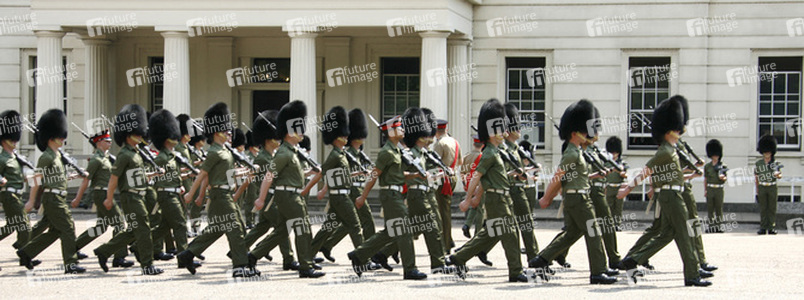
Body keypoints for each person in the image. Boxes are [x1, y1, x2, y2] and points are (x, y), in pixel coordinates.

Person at [617, 96, 711, 287]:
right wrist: (628, 188)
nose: (679, 132)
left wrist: (691, 174)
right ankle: (692, 275)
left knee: (667, 233)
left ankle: (633, 260)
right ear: (668, 132)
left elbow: (674, 176)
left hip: (672, 192)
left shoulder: (671, 150)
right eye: (676, 129)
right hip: (671, 195)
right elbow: (646, 170)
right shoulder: (666, 152)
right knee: (684, 232)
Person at [451, 99, 529, 283]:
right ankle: (516, 271)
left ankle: (458, 258)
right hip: (497, 199)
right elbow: (477, 177)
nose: (505, 133)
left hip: (502, 197)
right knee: (509, 233)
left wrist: (515, 174)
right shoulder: (489, 153)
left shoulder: (496, 152)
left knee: (491, 232)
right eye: (501, 129)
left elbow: (495, 177)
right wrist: (467, 199)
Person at [177, 102, 257, 277]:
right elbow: (203, 174)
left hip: (226, 192)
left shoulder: (224, 150)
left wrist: (243, 172)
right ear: (216, 132)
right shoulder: (214, 151)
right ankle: (239, 266)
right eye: (226, 131)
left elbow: (225, 173)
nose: (229, 134)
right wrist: (193, 194)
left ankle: (187, 254)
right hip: (220, 194)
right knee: (235, 229)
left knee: (218, 227)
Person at [347, 113, 428, 280]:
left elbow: (398, 174)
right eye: (399, 127)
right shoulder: (386, 152)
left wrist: (416, 176)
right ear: (390, 132)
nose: (403, 129)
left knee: (392, 231)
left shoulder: (397, 151)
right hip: (390, 195)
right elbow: (374, 175)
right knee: (404, 230)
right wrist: (363, 196)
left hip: (396, 193)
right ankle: (410, 269)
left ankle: (359, 254)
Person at [249, 100, 325, 278]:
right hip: (289, 196)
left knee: (282, 231)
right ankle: (305, 266)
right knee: (303, 228)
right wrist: (261, 199)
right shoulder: (284, 153)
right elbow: (269, 176)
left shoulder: (291, 152)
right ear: (289, 132)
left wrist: (311, 173)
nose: (301, 134)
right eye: (298, 130)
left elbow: (291, 176)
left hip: (290, 194)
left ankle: (252, 256)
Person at [93, 104, 162, 275]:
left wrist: (154, 174)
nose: (140, 136)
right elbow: (114, 178)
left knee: (133, 230)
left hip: (140, 195)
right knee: (144, 229)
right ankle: (147, 265)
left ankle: (104, 251)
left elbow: (138, 177)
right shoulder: (124, 154)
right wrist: (109, 199)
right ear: (128, 135)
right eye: (137, 133)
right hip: (130, 197)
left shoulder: (136, 153)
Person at [17, 109, 87, 274]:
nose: (63, 138)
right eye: (60, 136)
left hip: (58, 197)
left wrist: (75, 176)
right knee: (68, 227)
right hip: (53, 198)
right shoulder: (47, 157)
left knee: (55, 231)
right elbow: (37, 179)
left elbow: (56, 178)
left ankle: (26, 252)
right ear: (51, 138)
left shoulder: (57, 156)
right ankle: (70, 263)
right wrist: (32, 200)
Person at [72, 128, 134, 269]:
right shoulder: (96, 160)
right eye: (107, 141)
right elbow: (86, 180)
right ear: (99, 143)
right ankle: (119, 256)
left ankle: (74, 247)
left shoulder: (106, 158)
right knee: (118, 223)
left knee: (100, 227)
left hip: (105, 193)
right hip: (102, 194)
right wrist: (78, 199)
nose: (110, 143)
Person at [433, 118, 461, 252]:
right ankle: (448, 239)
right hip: (453, 176)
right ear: (446, 129)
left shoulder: (439, 144)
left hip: (443, 179)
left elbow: (434, 163)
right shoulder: (454, 141)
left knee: (442, 212)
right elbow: (460, 161)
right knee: (445, 210)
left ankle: (445, 244)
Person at [755, 134, 781, 235]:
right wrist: (757, 189)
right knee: (763, 208)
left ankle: (771, 227)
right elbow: (756, 176)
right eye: (765, 152)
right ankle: (763, 227)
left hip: (772, 186)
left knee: (771, 207)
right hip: (762, 186)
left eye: (768, 152)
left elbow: (779, 175)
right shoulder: (759, 163)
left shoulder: (775, 163)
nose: (767, 154)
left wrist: (777, 174)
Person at [704, 139, 727, 233]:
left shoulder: (723, 166)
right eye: (714, 155)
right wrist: (705, 190)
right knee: (710, 209)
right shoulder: (707, 166)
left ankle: (718, 226)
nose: (715, 157)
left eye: (717, 155)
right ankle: (711, 226)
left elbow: (725, 178)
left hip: (719, 189)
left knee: (718, 209)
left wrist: (722, 178)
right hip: (710, 188)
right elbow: (705, 179)